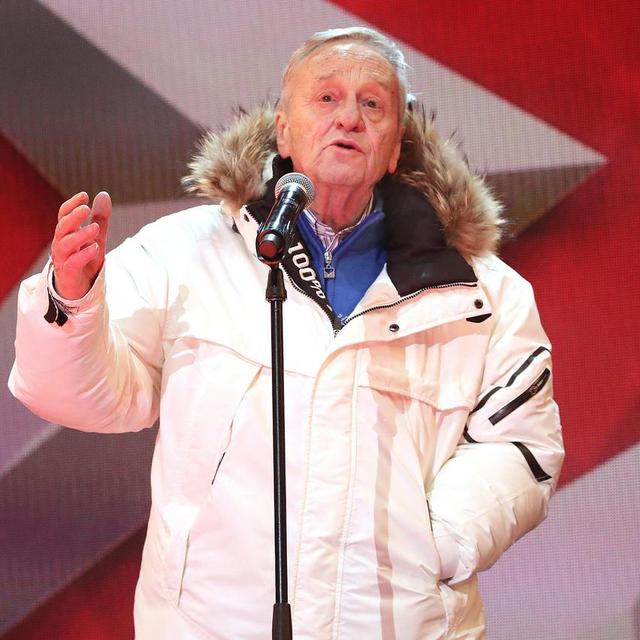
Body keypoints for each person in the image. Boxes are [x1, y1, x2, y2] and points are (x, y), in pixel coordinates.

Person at [9, 27, 564, 640]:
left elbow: (523, 448)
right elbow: (74, 396)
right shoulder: (186, 252)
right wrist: (72, 298)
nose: (349, 117)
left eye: (372, 103)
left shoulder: (484, 295)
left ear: (395, 148)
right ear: (282, 128)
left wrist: (436, 545)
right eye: (325, 98)